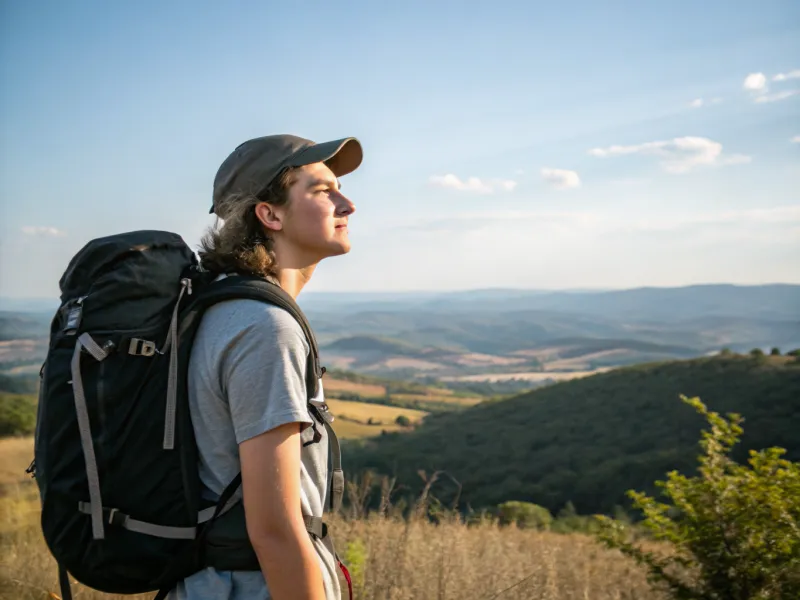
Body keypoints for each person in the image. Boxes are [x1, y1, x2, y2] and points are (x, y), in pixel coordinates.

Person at [168, 134, 363, 600]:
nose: (348, 204)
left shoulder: (227, 306)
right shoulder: (264, 328)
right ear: (270, 215)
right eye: (321, 190)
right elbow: (274, 529)